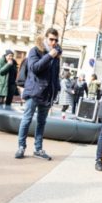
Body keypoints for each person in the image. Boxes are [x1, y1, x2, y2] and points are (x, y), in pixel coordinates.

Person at [15, 28, 61, 160]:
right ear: (45, 38)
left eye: (56, 40)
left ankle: (38, 149)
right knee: (27, 119)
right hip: (34, 91)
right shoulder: (35, 50)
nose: (53, 42)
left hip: (47, 94)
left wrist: (56, 89)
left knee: (41, 122)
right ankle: (21, 147)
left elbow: (55, 75)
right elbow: (35, 68)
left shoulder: (56, 55)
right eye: (51, 39)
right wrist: (49, 55)